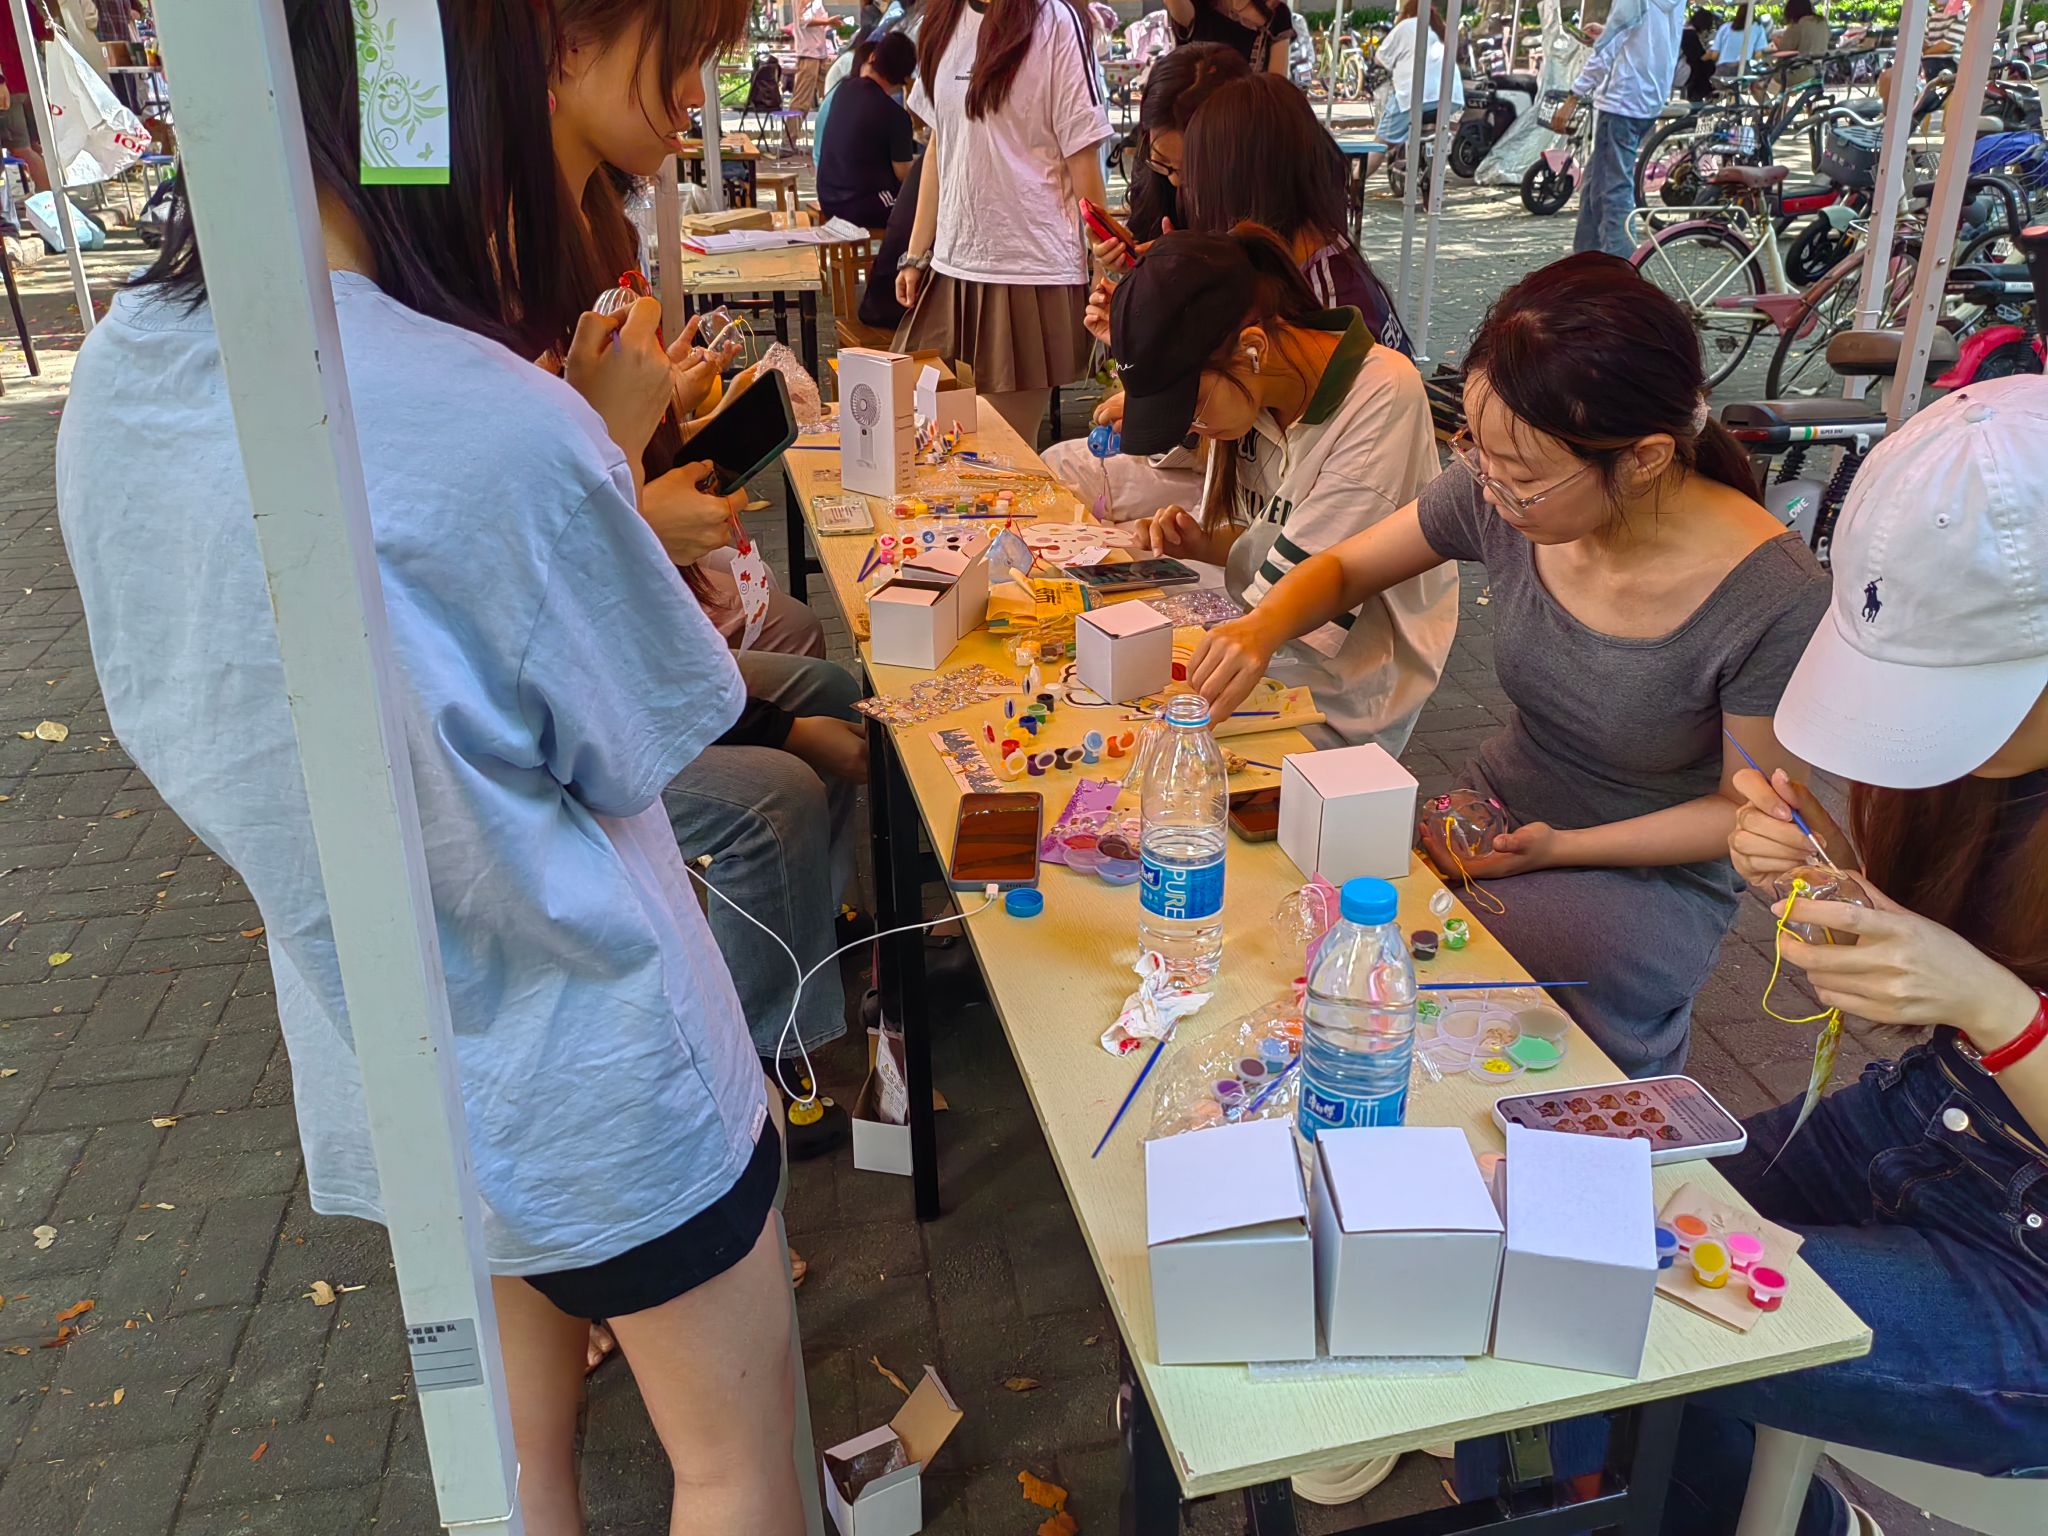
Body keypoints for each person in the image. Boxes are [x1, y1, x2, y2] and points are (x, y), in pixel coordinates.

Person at [53, 3, 803, 1534]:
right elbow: (650, 725)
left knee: (516, 1462)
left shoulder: (123, 384)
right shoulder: (497, 428)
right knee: (734, 1461)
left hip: (389, 1051)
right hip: (603, 1069)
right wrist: (600, 453)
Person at [1191, 255, 1828, 1075]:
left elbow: (1748, 813)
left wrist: (1560, 848)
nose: (1488, 491)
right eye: (1475, 454)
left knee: (1424, 968)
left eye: (1520, 478)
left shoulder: (1772, 596)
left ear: (1644, 457)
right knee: (1320, 900)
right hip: (1499, 809)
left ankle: (1600, 1104)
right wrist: (1260, 627)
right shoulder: (1501, 486)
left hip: (1645, 875)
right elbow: (1345, 567)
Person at [1668, 376, 2048, 1536]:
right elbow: (1961, 979)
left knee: (1633, 1317)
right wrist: (1836, 887)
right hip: (1942, 1120)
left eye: (1954, 692)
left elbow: (1992, 999)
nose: (1922, 740)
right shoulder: (1993, 774)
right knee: (1579, 1233)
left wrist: (1994, 1009)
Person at [549, 0, 868, 1121]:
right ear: (570, 46)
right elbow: (550, 571)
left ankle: (810, 952)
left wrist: (655, 422)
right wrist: (638, 511)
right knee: (778, 789)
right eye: (682, 60)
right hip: (575, 699)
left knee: (830, 693)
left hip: (619, 652)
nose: (697, 99)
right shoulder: (501, 253)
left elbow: (579, 506)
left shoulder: (586, 222)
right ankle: (765, 1061)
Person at [1112, 229, 1455, 754]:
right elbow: (1268, 537)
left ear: (1252, 348)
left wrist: (1245, 632)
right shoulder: (1259, 390)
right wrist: (1202, 542)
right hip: (1270, 641)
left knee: (1161, 753)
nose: (1194, 431)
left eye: (1193, 409)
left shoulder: (1381, 395)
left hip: (1348, 689)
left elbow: (1319, 578)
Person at [896, 0, 1113, 442]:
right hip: (952, 267)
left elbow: (1082, 152)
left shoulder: (1055, 21)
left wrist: (1102, 261)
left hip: (1029, 272)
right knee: (924, 435)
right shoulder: (941, 20)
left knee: (1004, 450)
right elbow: (939, 144)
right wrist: (916, 254)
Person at [1551, 0, 1684, 257]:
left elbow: (1607, 50)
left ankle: (1620, 263)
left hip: (1621, 101)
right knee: (1595, 182)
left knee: (1613, 191)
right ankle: (1586, 258)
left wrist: (1574, 95)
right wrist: (1608, 31)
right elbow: (1645, 36)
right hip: (1649, 98)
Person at [1122, 38, 1249, 243]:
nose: (1175, 181)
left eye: (1191, 169)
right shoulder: (1153, 177)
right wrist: (1124, 256)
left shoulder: (1261, 202)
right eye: (1162, 161)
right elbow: (1142, 235)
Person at [816, 30, 917, 228]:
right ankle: (902, 248)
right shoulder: (895, 115)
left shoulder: (843, 90)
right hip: (863, 206)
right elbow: (904, 174)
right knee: (923, 203)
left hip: (827, 198)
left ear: (873, 57)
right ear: (904, 78)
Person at [1373, 0, 1466, 172]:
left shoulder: (1405, 26)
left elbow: (1380, 58)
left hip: (1414, 97)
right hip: (1451, 98)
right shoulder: (1439, 30)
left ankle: (1355, 179)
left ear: (1407, 13)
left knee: (1380, 144)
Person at [1163, 0, 1294, 73]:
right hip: (1200, 111)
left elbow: (1277, 82)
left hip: (1251, 109)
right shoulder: (1197, 6)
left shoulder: (1276, 12)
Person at [790, 0, 842, 151]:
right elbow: (803, 20)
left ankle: (833, 140)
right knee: (802, 100)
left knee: (830, 97)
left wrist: (828, 25)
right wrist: (828, 21)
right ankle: (788, 141)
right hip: (809, 54)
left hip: (819, 53)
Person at [1707, 1, 1771, 68]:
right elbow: (1758, 55)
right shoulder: (1758, 27)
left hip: (1723, 68)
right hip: (1744, 67)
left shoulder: (1725, 27)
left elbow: (1714, 55)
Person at [1680, 7, 1719, 100]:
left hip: (1682, 67)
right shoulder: (1690, 34)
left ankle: (1706, 90)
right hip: (1686, 70)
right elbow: (1699, 57)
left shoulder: (1685, 31)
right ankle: (1705, 91)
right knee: (1705, 66)